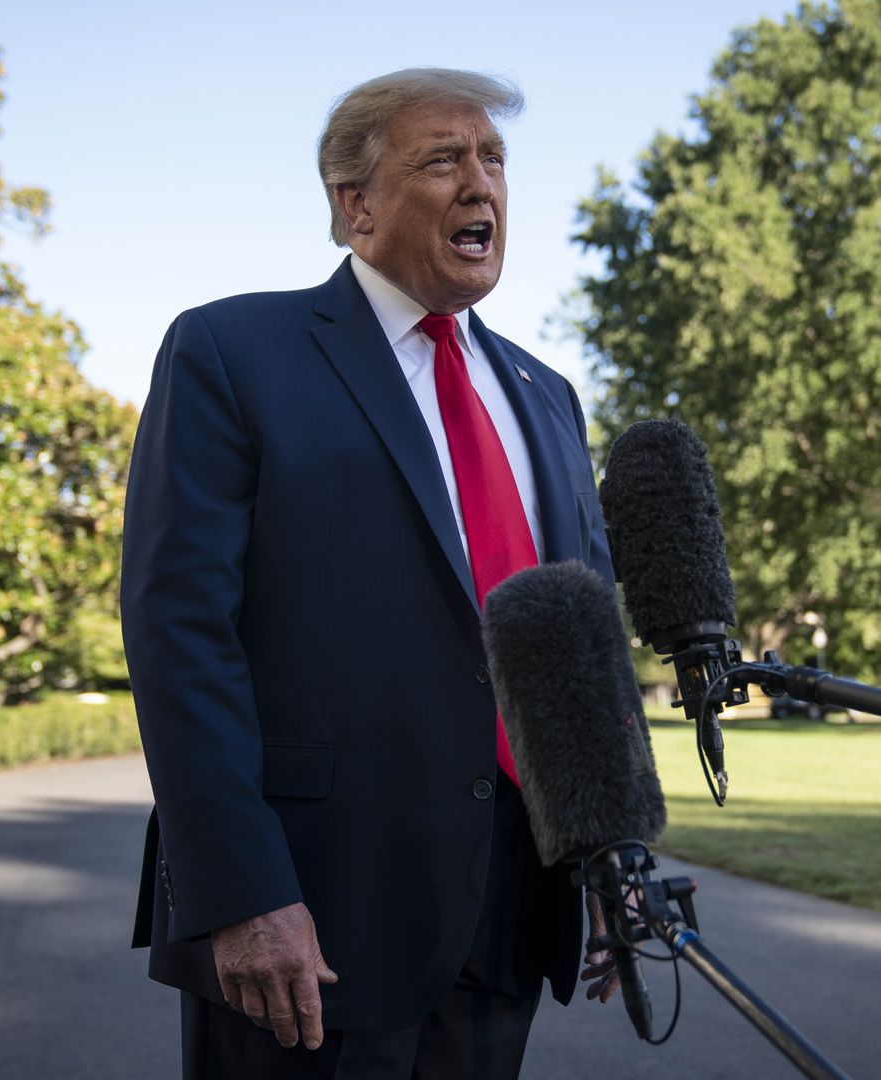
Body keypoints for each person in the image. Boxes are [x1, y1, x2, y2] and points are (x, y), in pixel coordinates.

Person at [119, 68, 619, 1079]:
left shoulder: (548, 394)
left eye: (495, 159)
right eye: (444, 159)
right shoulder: (231, 350)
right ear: (355, 205)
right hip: (309, 920)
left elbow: (581, 648)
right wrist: (243, 893)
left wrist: (608, 853)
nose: (482, 185)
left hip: (507, 911)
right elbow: (181, 635)